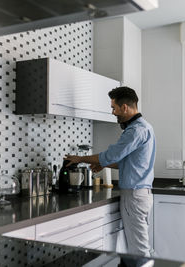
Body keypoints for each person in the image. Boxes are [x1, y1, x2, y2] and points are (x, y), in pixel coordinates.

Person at [64, 86, 156, 257]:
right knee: (140, 246)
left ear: (125, 107)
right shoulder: (145, 127)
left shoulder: (135, 130)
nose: (113, 112)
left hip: (134, 196)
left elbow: (111, 155)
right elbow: (127, 162)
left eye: (114, 108)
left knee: (139, 250)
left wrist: (80, 158)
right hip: (141, 194)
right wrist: (104, 164)